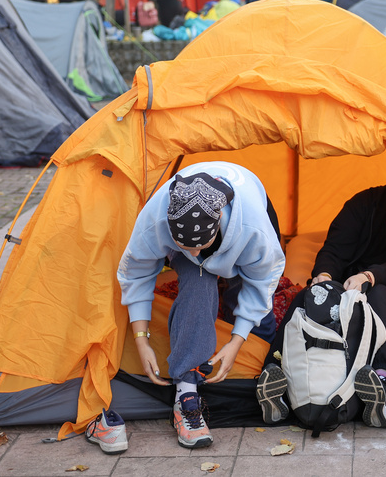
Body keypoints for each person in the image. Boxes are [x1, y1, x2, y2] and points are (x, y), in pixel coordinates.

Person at [92, 163, 285, 453]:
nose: (194, 254)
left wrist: (237, 340)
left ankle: (266, 375)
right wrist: (141, 341)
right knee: (198, 278)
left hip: (250, 204)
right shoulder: (156, 219)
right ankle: (186, 392)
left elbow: (261, 284)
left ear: (218, 221)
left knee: (251, 310)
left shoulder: (254, 230)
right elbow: (137, 274)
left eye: (200, 246)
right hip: (189, 225)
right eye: (184, 246)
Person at [257, 185, 386, 429]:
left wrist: (370, 276)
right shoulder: (368, 203)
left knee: (379, 295)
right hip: (347, 284)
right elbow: (334, 249)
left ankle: (382, 386)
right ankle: (274, 375)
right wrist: (323, 276)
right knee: (308, 295)